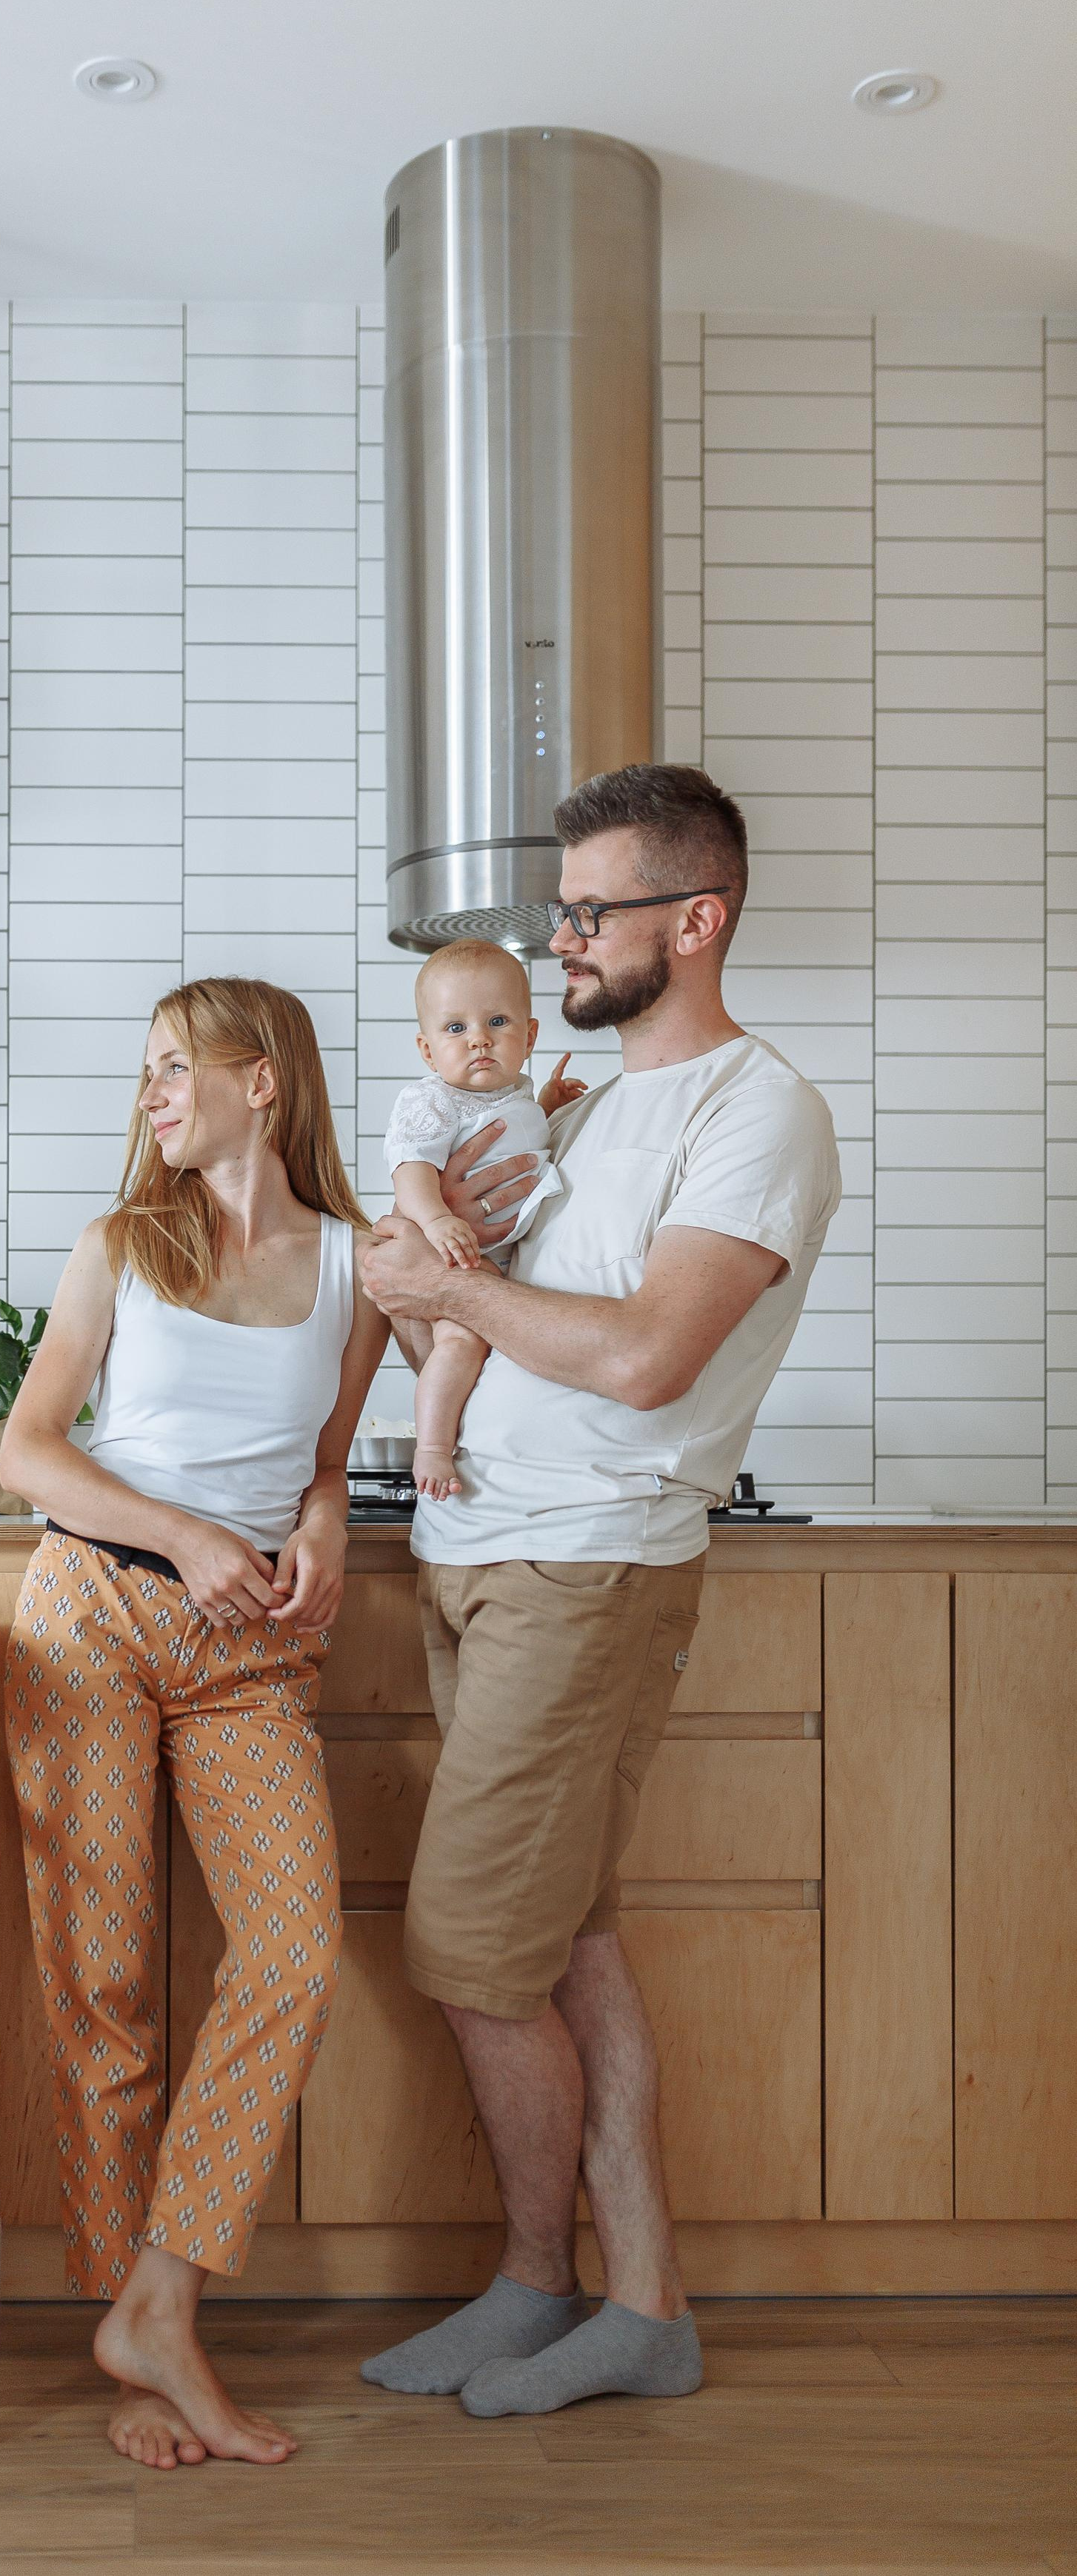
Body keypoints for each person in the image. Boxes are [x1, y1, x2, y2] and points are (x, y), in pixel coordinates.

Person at [358, 763, 841, 2421]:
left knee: (470, 1951)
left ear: (691, 922)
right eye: (557, 909)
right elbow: (461, 1329)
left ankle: (531, 2282)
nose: (554, 938)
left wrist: (452, 1286)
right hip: (483, 1554)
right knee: (563, 1942)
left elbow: (642, 1360)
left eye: (587, 911)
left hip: (586, 1564)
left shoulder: (748, 1111)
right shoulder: (575, 1109)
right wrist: (409, 1288)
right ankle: (637, 2306)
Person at [0, 976, 390, 2472]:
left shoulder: (352, 1267)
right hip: (91, 1612)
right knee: (102, 1982)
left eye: (174, 1066)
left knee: (293, 1954)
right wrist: (177, 1531)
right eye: (145, 1069)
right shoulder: (118, 1247)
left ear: (260, 1082)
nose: (152, 1093)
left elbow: (325, 1453)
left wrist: (327, 1529)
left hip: (247, 1655)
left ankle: (159, 2302)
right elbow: (34, 1449)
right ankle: (136, 2349)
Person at [384, 938, 583, 1499]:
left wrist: (546, 1103)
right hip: (454, 1254)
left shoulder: (514, 1093)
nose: (478, 1039)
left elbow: (511, 1135)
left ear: (530, 1036)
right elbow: (410, 1167)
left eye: (497, 1021)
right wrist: (435, 1219)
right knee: (460, 1343)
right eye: (455, 1029)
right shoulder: (431, 1103)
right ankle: (432, 1448)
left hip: (501, 1259)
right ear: (427, 1051)